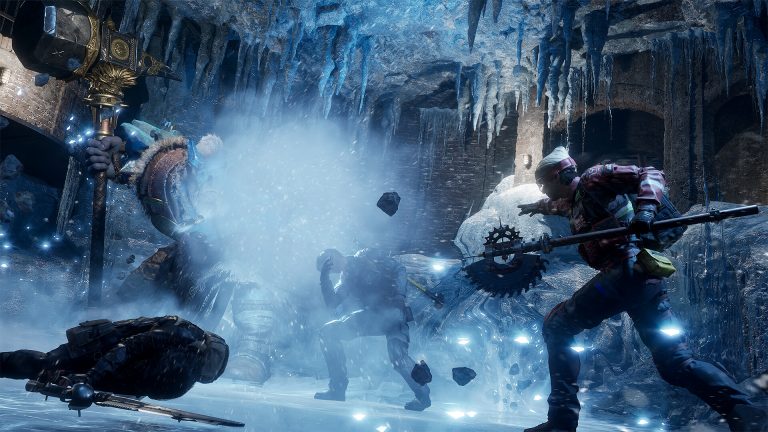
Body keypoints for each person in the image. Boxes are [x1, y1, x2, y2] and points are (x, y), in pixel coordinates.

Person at [518, 147, 767, 432]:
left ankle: (561, 423)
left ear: (558, 175)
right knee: (674, 363)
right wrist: (536, 206)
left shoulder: (594, 178)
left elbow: (651, 174)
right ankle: (745, 413)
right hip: (641, 277)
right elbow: (556, 206)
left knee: (557, 325)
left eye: (542, 183)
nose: (543, 189)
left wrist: (646, 211)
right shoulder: (573, 202)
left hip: (626, 271)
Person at [85, 122, 275, 385]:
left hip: (229, 279)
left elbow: (248, 356)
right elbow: (121, 312)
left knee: (249, 287)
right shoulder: (168, 257)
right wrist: (118, 163)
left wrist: (249, 356)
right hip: (184, 274)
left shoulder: (245, 273)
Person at [0, 316, 228, 400]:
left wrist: (85, 381)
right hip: (102, 344)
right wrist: (89, 380)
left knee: (58, 371)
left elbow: (144, 377)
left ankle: (69, 376)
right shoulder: (179, 335)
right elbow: (127, 348)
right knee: (46, 364)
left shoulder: (183, 366)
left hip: (127, 364)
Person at [314, 248, 430, 411]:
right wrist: (324, 279)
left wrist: (399, 297)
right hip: (371, 316)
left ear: (335, 255)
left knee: (398, 358)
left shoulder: (367, 256)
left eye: (328, 263)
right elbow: (332, 303)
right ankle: (337, 388)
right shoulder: (345, 279)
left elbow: (399, 269)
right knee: (327, 333)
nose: (331, 268)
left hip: (394, 313)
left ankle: (423, 393)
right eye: (326, 268)